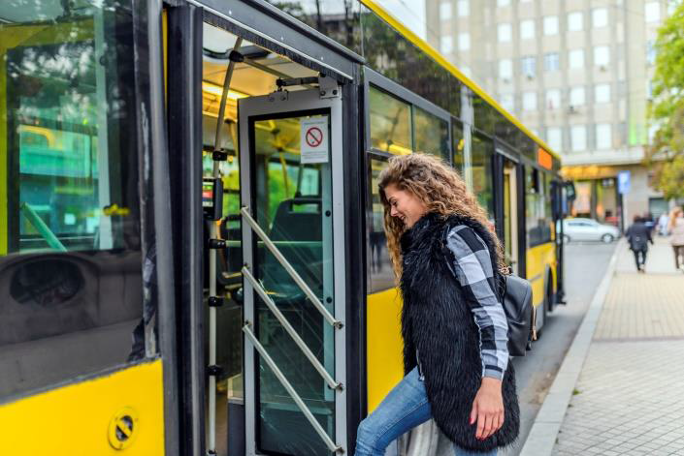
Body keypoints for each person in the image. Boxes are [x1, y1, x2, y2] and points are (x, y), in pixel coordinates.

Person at [354, 154, 519, 456]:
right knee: (370, 435)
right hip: (432, 374)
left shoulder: (458, 236)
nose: (392, 212)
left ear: (418, 189)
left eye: (395, 201)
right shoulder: (423, 242)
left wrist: (491, 386)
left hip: (470, 376)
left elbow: (491, 316)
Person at [668, 207, 684, 271]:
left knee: (676, 254)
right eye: (681, 212)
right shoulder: (682, 221)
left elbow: (668, 230)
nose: (682, 213)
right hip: (682, 239)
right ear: (678, 213)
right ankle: (682, 265)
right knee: (683, 254)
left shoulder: (671, 221)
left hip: (674, 239)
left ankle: (677, 267)